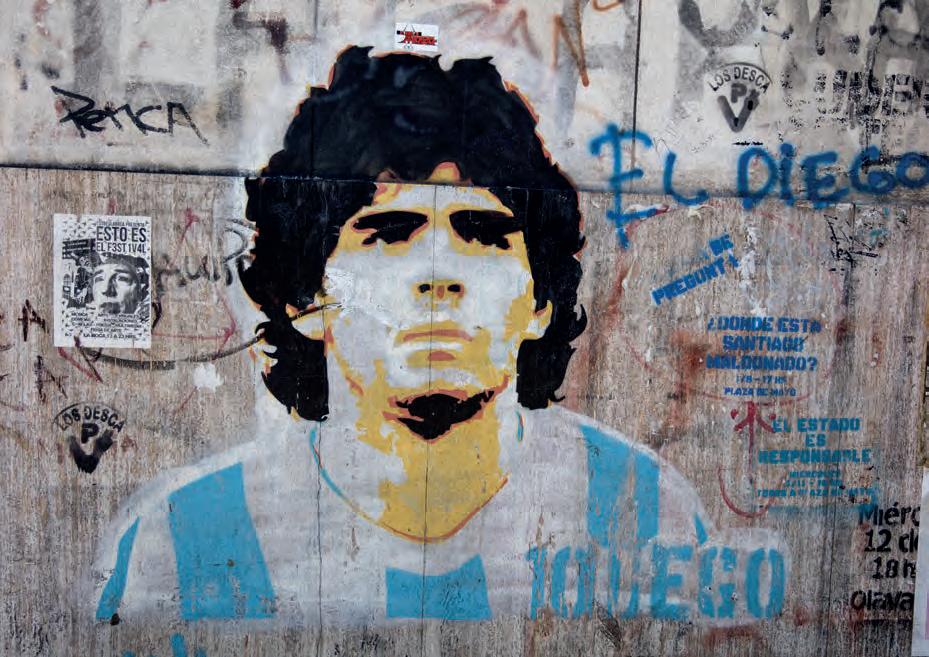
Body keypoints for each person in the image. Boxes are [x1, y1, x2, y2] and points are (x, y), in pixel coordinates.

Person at [92, 47, 787, 627]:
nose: (439, 274)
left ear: (540, 300)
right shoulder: (184, 537)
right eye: (389, 232)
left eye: (482, 234)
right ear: (305, 298)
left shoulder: (642, 509)